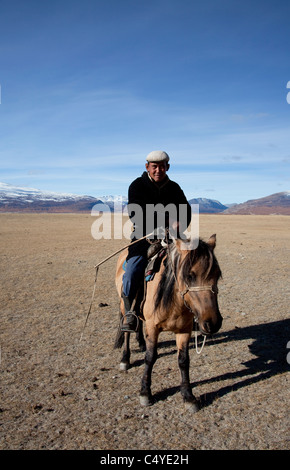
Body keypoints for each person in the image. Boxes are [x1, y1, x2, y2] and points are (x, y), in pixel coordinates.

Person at [121, 150, 192, 332]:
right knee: (133, 269)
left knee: (193, 265)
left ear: (167, 167)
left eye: (162, 166)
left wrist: (179, 222)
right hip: (144, 238)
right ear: (147, 167)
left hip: (172, 237)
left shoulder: (174, 188)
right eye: (154, 167)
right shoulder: (137, 185)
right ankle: (130, 313)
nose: (158, 170)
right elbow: (136, 214)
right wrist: (168, 219)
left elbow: (187, 212)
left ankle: (194, 311)